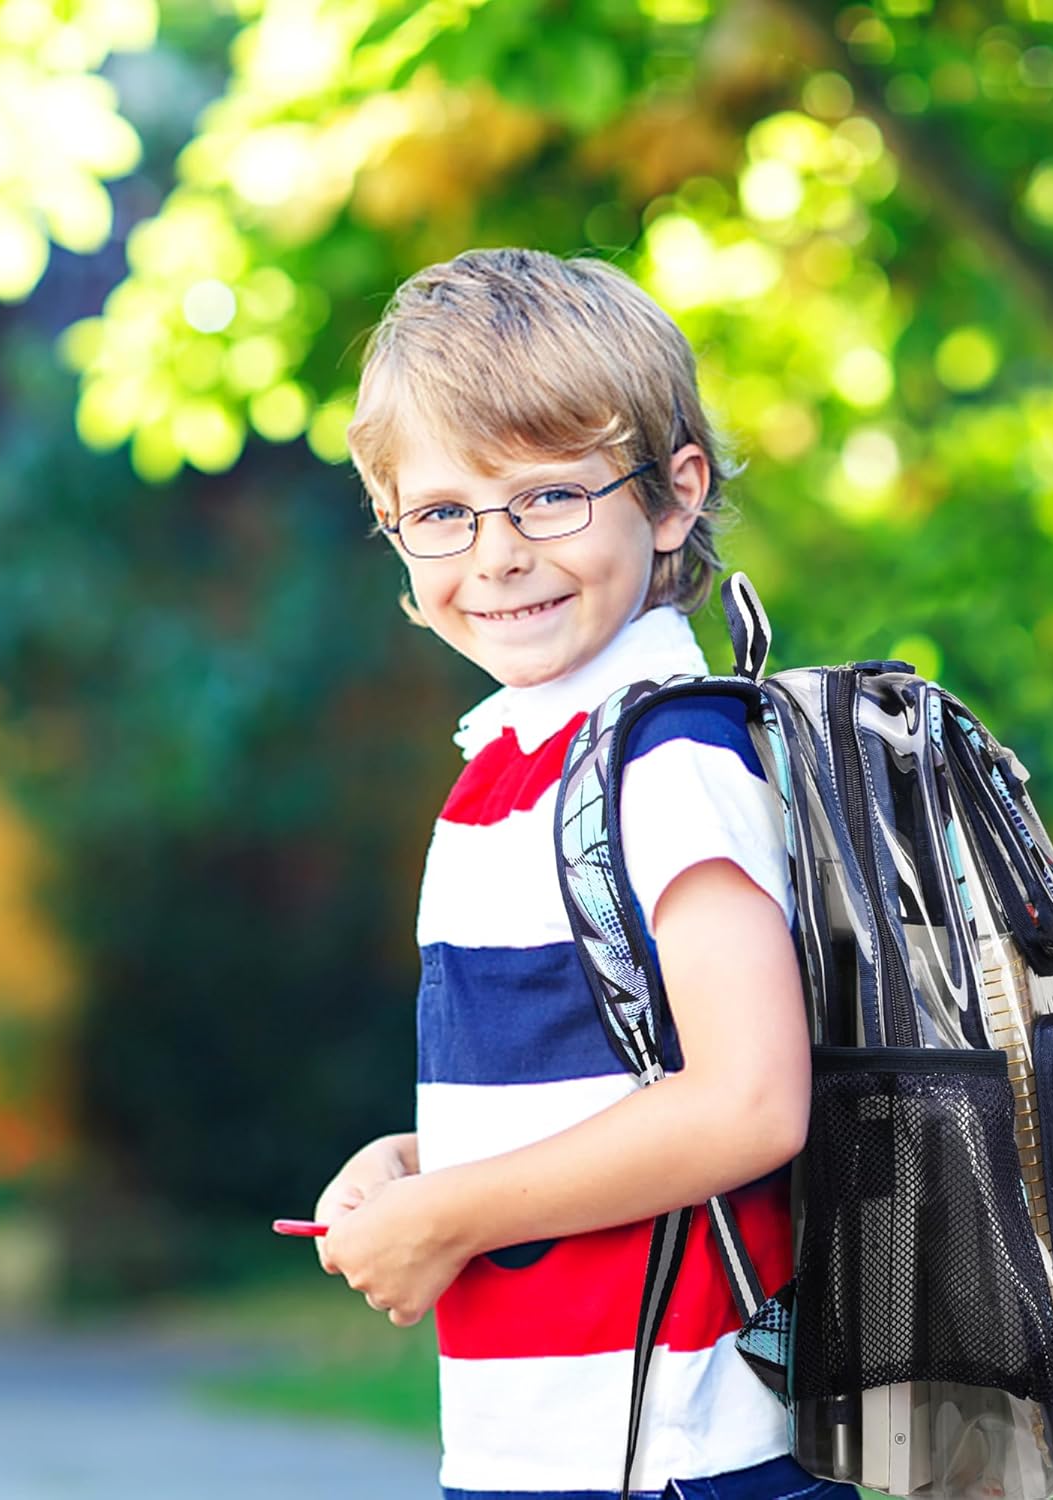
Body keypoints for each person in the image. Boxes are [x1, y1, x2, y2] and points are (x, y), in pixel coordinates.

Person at [313, 247, 855, 1500]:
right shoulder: (518, 763)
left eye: (550, 497)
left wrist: (451, 1221)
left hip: (683, 1456)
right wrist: (419, 1168)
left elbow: (747, 1104)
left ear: (671, 499)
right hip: (550, 1447)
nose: (495, 555)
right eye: (442, 514)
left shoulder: (667, 758)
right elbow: (604, 1091)